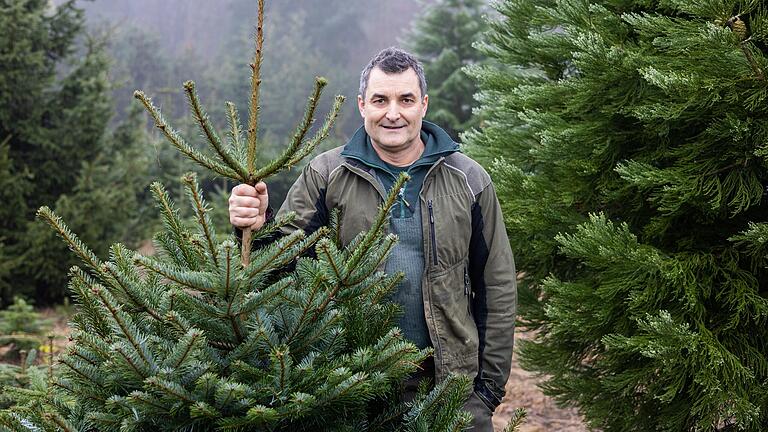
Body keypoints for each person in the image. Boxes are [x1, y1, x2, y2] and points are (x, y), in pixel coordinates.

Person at [229, 47, 516, 430]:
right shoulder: (328, 174)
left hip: (453, 391)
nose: (393, 113)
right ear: (363, 105)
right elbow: (277, 267)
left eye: (406, 99)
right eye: (380, 99)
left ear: (424, 105)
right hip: (354, 389)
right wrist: (254, 225)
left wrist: (487, 390)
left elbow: (497, 284)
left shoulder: (469, 178)